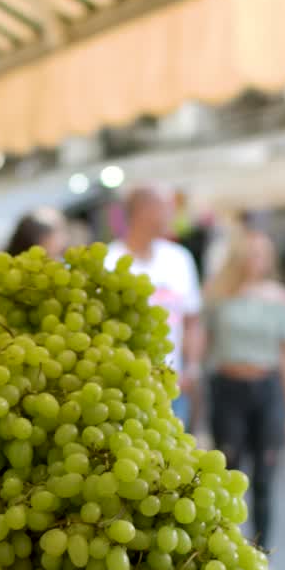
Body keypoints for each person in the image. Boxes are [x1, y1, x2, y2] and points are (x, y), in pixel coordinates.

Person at [202, 229, 285, 548]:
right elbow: (204, 345)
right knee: (228, 472)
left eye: (261, 253)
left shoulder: (282, 298)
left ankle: (262, 553)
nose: (255, 259)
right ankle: (225, 546)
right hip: (228, 387)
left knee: (264, 476)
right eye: (250, 252)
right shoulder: (219, 295)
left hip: (267, 388)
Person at [105, 185, 203, 431]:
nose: (171, 215)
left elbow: (192, 321)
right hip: (124, 388)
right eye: (165, 208)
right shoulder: (109, 260)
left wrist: (191, 366)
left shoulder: (179, 259)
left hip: (173, 384)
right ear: (142, 212)